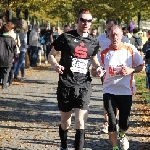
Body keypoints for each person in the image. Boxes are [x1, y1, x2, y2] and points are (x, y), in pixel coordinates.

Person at [48, 8, 103, 150]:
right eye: (83, 20)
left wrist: (98, 68)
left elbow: (93, 59)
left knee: (80, 121)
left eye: (88, 20)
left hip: (84, 85)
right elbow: (51, 55)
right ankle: (64, 144)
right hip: (66, 84)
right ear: (77, 21)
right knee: (65, 121)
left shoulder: (93, 41)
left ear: (91, 23)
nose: (85, 23)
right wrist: (55, 65)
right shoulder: (66, 37)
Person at [99, 25, 144, 150]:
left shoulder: (130, 50)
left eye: (117, 35)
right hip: (109, 91)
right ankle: (115, 147)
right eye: (112, 35)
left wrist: (131, 70)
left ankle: (122, 133)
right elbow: (95, 69)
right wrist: (97, 72)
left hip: (125, 91)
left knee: (124, 123)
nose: (114, 37)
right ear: (108, 36)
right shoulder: (103, 53)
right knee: (112, 122)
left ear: (122, 36)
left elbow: (141, 66)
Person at [0, 23, 17, 89]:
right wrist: (14, 57)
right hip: (8, 58)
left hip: (0, 57)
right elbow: (14, 49)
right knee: (6, 72)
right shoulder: (11, 40)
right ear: (9, 31)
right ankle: (4, 85)